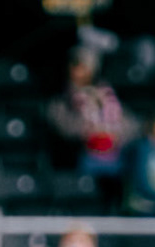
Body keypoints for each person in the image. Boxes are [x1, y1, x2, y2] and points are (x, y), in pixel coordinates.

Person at [47, 48, 137, 193]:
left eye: (84, 66)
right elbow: (63, 125)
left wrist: (115, 134)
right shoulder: (63, 99)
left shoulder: (106, 94)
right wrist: (89, 130)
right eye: (76, 65)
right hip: (83, 156)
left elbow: (130, 125)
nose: (78, 70)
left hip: (114, 155)